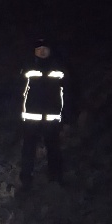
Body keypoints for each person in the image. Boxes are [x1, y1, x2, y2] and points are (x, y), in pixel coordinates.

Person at [19, 36, 68, 187]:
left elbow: (67, 91)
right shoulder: (28, 68)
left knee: (54, 149)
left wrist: (66, 113)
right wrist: (18, 112)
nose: (42, 52)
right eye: (39, 49)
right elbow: (19, 91)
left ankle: (56, 177)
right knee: (28, 150)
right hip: (31, 118)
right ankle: (26, 179)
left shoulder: (58, 68)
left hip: (52, 117)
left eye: (44, 49)